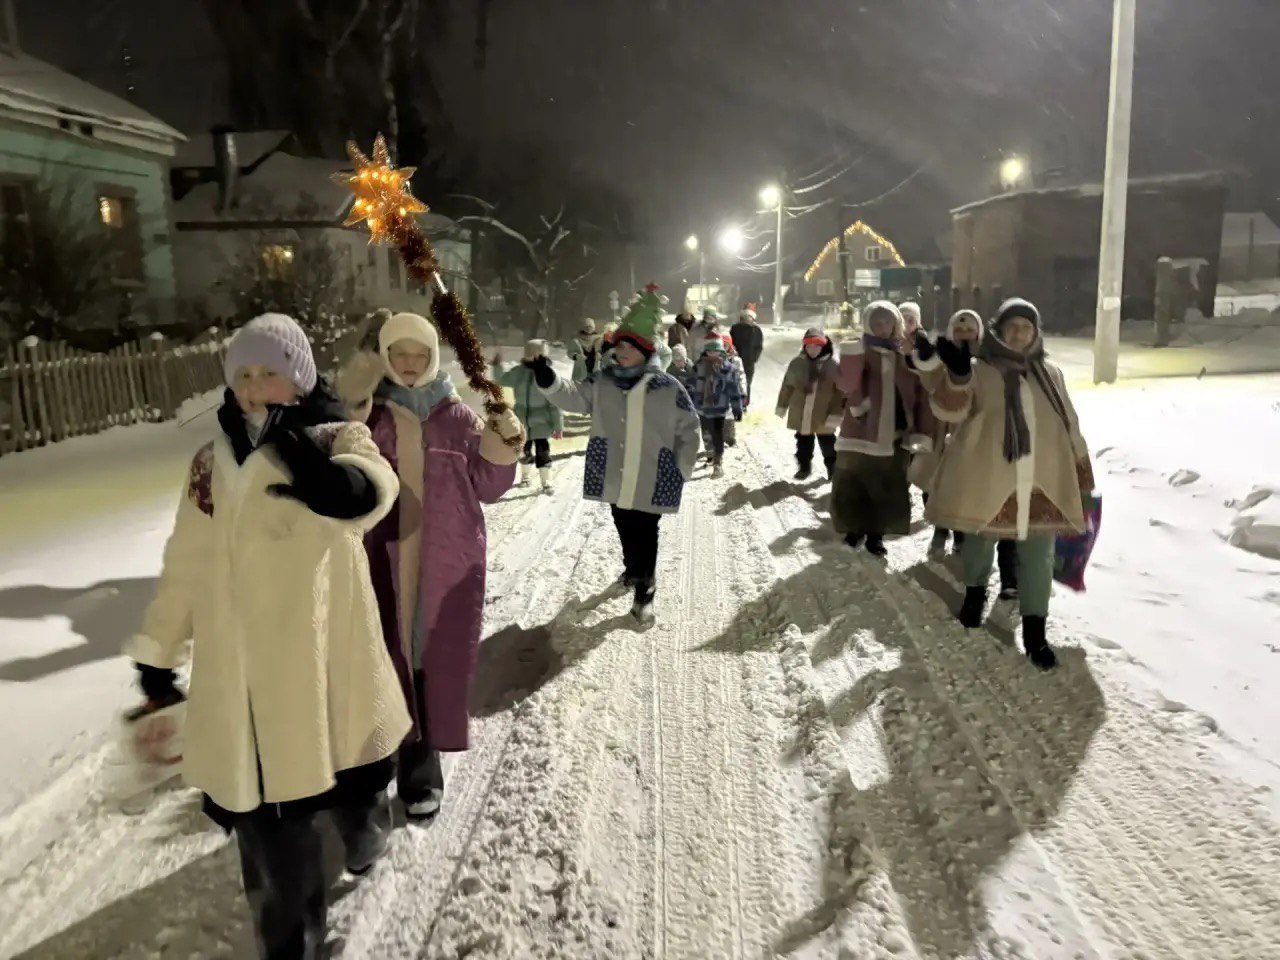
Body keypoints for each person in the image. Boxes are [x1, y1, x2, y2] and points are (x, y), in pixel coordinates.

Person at [128, 313, 409, 958]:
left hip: (325, 659)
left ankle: (366, 827)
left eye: (271, 373)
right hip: (246, 681)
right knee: (269, 831)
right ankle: (293, 947)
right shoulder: (209, 463)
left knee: (355, 788)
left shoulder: (340, 433)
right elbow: (187, 563)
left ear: (301, 378)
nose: (256, 388)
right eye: (244, 375)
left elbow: (369, 495)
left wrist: (304, 457)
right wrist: (158, 654)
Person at [335, 311, 522, 823]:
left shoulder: (459, 417)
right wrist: (351, 403)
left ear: (434, 357)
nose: (412, 365)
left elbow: (489, 485)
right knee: (381, 658)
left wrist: (503, 444)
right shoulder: (370, 416)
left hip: (446, 560)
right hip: (383, 557)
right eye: (401, 355)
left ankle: (421, 769)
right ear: (386, 359)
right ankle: (375, 770)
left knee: (427, 662)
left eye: (421, 355)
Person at [919, 297, 1096, 669]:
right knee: (980, 544)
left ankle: (1035, 633)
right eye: (1012, 327)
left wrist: (1082, 474)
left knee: (1039, 558)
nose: (1020, 334)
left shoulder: (1051, 373)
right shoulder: (979, 370)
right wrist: (957, 376)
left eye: (1027, 328)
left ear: (1036, 333)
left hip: (1043, 480)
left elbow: (1070, 424)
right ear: (998, 330)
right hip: (990, 476)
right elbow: (948, 411)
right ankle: (975, 594)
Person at [528, 284, 701, 622]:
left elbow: (689, 428)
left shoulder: (666, 387)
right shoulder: (603, 382)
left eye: (628, 347)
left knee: (646, 530)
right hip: (614, 471)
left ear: (646, 351)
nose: (620, 351)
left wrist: (681, 467)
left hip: (653, 474)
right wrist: (548, 378)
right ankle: (632, 570)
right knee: (622, 523)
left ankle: (644, 589)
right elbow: (575, 397)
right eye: (618, 345)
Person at [830, 301, 936, 558]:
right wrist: (860, 404)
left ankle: (876, 535)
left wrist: (918, 425)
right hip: (862, 430)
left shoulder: (902, 355)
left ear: (895, 324)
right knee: (856, 481)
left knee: (885, 485)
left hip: (895, 432)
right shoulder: (860, 351)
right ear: (867, 324)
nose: (881, 328)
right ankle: (854, 529)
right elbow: (846, 384)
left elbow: (918, 389)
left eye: (886, 322)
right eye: (876, 323)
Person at [908, 309, 981, 558]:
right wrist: (926, 360)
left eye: (969, 330)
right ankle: (940, 528)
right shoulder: (943, 354)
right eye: (959, 330)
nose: (964, 335)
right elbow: (929, 384)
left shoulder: (986, 359)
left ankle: (960, 533)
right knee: (935, 483)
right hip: (940, 428)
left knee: (963, 487)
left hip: (973, 432)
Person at [492, 339, 565, 493]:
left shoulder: (548, 375)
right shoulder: (519, 372)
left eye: (537, 355)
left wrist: (558, 425)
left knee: (542, 452)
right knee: (523, 451)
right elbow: (502, 379)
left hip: (542, 422)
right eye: (530, 354)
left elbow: (555, 403)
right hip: (521, 420)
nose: (533, 358)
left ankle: (546, 482)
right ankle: (525, 477)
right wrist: (497, 366)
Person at [777, 328, 841, 480]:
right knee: (803, 442)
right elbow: (787, 385)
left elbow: (840, 392)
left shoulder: (832, 365)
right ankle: (804, 467)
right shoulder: (797, 363)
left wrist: (836, 412)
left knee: (828, 444)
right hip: (802, 411)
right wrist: (782, 405)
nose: (812, 350)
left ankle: (833, 470)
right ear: (804, 346)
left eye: (816, 346)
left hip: (823, 412)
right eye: (809, 346)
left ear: (823, 346)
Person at [690, 335, 746, 479]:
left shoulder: (728, 369)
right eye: (709, 351)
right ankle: (710, 453)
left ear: (721, 351)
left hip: (719, 409)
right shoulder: (698, 366)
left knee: (717, 435)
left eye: (715, 351)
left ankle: (717, 463)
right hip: (702, 408)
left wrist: (737, 408)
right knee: (706, 433)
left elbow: (734, 389)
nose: (712, 354)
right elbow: (690, 386)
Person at [729, 303, 765, 402]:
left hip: (749, 361)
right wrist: (732, 353)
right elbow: (730, 343)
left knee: (747, 382)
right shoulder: (735, 328)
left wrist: (754, 358)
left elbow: (759, 346)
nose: (748, 319)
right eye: (746, 316)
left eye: (750, 317)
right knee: (736, 380)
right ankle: (736, 401)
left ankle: (745, 402)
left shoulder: (756, 330)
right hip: (736, 358)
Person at [568, 319, 602, 383]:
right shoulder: (576, 340)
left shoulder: (598, 340)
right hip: (579, 373)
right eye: (587, 326)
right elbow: (569, 353)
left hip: (594, 373)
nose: (589, 329)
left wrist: (600, 355)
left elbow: (604, 354)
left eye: (590, 327)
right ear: (583, 327)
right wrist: (577, 356)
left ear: (593, 328)